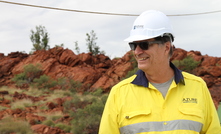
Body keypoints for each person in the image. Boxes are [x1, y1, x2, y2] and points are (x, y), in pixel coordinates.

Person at [99, 10, 221, 134]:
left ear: (166, 47)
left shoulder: (198, 87)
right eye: (133, 45)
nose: (137, 51)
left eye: (144, 44)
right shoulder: (119, 93)